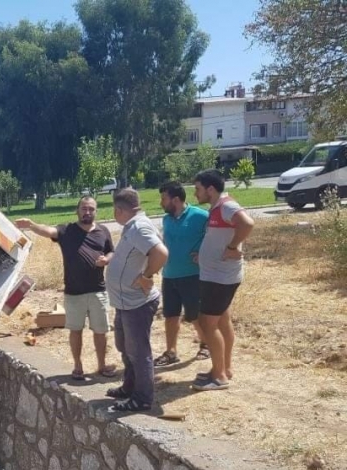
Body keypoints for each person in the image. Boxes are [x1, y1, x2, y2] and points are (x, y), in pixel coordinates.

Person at [15, 196, 116, 380]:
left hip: (98, 290)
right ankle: (78, 366)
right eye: (84, 209)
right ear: (77, 211)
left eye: (91, 209)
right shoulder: (67, 230)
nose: (87, 212)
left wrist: (107, 259)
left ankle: (102, 365)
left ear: (96, 211)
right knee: (75, 330)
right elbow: (49, 231)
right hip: (74, 292)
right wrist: (32, 225)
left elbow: (111, 250)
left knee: (101, 330)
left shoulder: (103, 231)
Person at [104, 188, 168, 412]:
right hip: (124, 302)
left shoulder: (139, 227)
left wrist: (146, 276)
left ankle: (142, 398)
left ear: (119, 209)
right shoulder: (132, 226)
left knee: (139, 352)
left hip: (137, 303)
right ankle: (129, 387)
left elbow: (161, 253)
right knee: (125, 347)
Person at [191, 169, 255, 391]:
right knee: (221, 322)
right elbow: (218, 237)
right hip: (215, 275)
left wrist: (232, 247)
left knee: (207, 323)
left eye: (197, 189)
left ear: (210, 189)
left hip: (221, 277)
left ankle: (219, 377)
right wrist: (204, 255)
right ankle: (223, 368)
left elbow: (247, 223)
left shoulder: (226, 205)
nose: (195, 194)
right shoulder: (217, 208)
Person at [154, 182, 209, 367]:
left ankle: (206, 344)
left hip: (192, 275)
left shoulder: (200, 216)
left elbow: (214, 237)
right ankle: (171, 352)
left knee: (195, 314)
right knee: (170, 315)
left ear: (175, 200)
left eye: (164, 198)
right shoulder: (166, 220)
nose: (161, 203)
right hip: (169, 275)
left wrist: (203, 252)